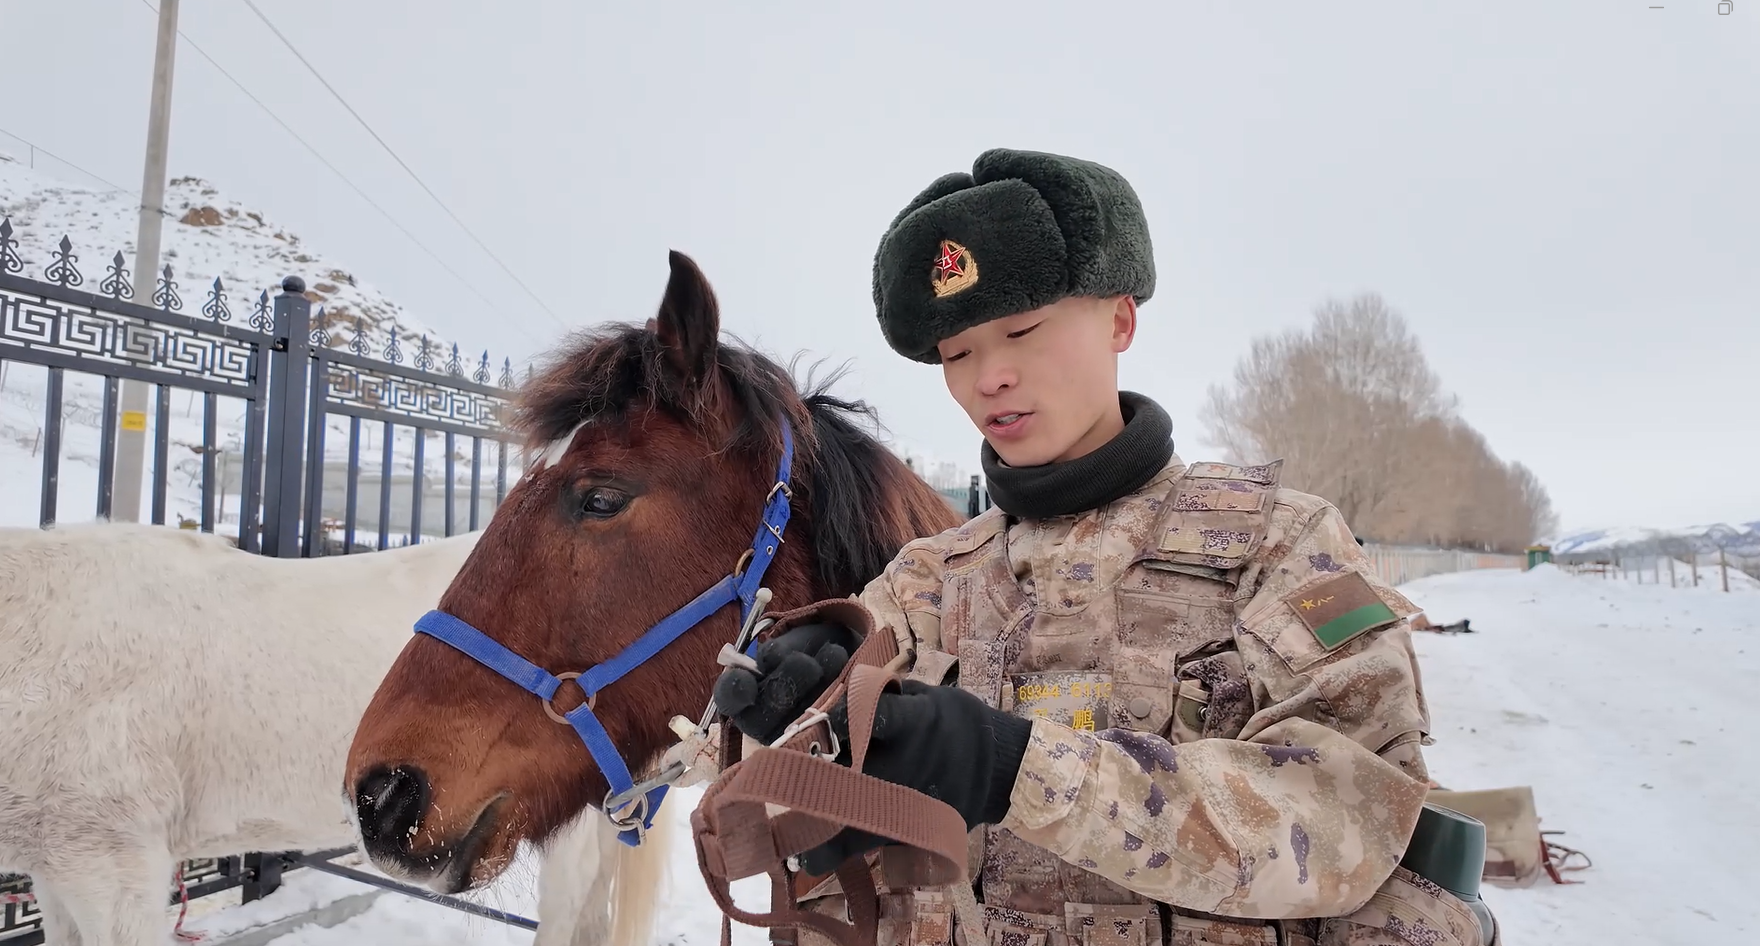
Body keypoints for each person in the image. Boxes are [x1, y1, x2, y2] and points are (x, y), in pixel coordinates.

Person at [708, 148, 1497, 946]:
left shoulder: (1281, 543)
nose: (989, 377)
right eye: (957, 353)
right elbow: (765, 784)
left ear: (1120, 320)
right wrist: (801, 697)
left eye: (1021, 330)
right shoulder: (926, 583)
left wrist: (1007, 765)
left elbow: (1347, 817)